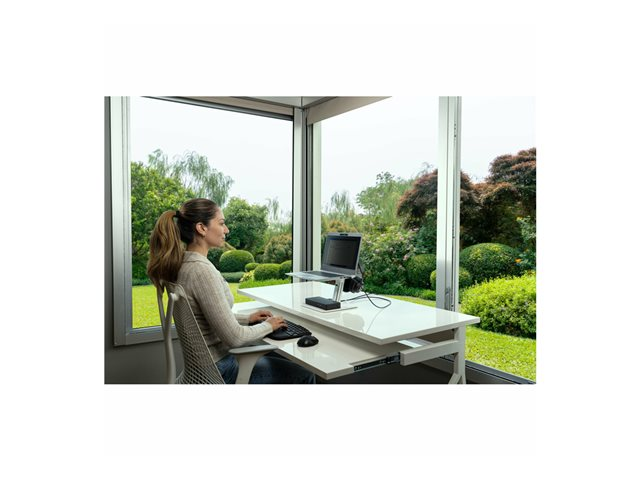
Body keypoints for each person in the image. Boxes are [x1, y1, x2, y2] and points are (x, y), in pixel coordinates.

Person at [147, 198, 315, 384]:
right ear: (201, 228)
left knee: (280, 357)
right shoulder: (201, 271)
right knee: (305, 375)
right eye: (221, 223)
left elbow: (206, 316)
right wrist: (269, 325)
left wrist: (247, 319)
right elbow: (235, 338)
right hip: (222, 371)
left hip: (203, 370)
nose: (226, 230)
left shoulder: (183, 265)